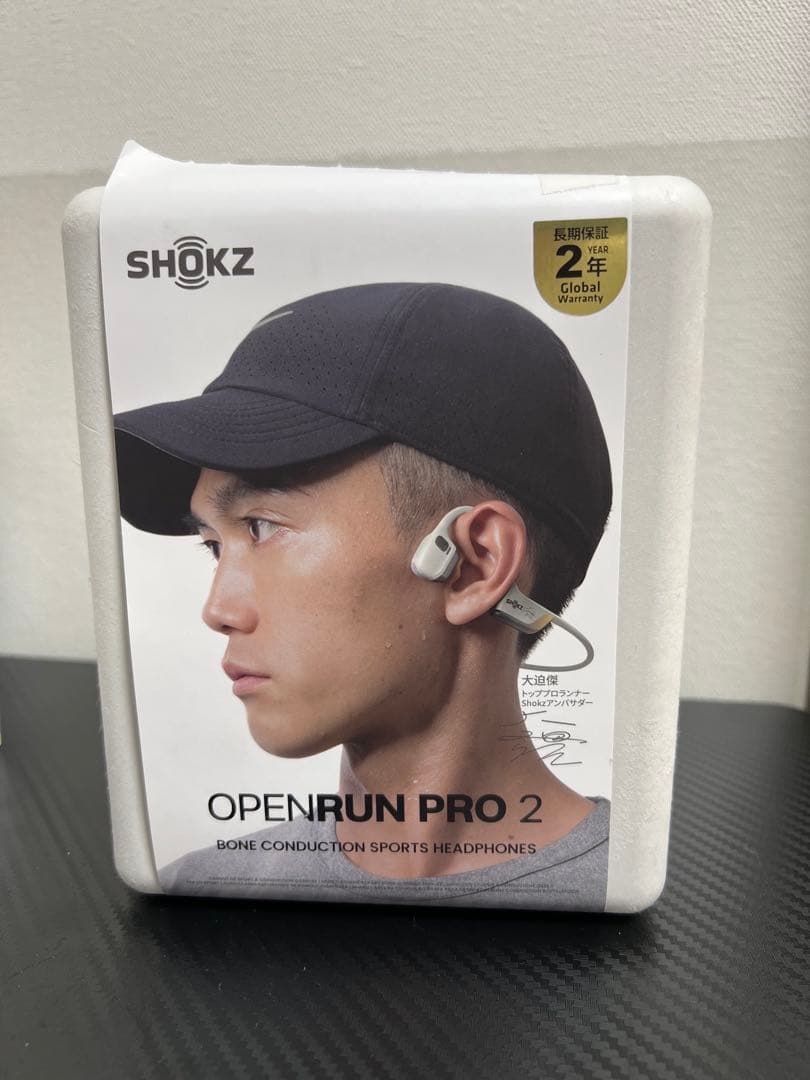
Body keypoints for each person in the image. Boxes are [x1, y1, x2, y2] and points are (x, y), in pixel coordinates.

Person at [114, 282, 613, 909]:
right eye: (214, 545)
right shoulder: (197, 901)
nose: (218, 611)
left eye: (261, 527)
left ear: (475, 565)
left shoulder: (654, 911)